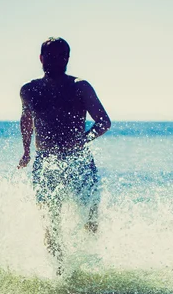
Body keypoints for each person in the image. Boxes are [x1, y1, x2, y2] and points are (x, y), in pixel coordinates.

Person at [17, 37, 111, 273]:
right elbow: (26, 120)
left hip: (78, 160)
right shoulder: (29, 90)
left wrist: (83, 139)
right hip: (45, 162)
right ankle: (59, 272)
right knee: (50, 222)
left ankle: (92, 267)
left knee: (90, 219)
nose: (53, 60)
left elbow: (104, 121)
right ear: (41, 59)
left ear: (67, 59)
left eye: (59, 56)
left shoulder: (80, 86)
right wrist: (27, 151)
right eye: (49, 56)